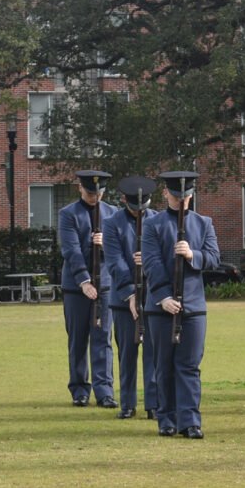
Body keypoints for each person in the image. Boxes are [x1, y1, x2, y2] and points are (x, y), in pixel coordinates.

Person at [142, 170, 221, 439]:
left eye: (185, 196)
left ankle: (189, 421)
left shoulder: (204, 223)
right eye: (176, 196)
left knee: (189, 366)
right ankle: (166, 417)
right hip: (161, 306)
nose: (181, 201)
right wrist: (163, 297)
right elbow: (151, 264)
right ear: (166, 194)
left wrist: (192, 254)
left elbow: (213, 258)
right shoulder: (153, 225)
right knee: (164, 365)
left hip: (194, 305)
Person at [57, 169, 117, 408]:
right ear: (80, 188)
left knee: (103, 339)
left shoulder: (113, 214)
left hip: (105, 286)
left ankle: (105, 391)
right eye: (91, 192)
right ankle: (80, 389)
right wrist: (83, 281)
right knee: (78, 339)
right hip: (76, 287)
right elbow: (70, 250)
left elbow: (120, 250)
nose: (95, 197)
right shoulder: (68, 214)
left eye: (99, 193)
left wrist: (106, 245)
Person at [103, 175, 159, 419]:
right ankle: (127, 403)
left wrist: (146, 263)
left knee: (153, 353)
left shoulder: (158, 220)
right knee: (127, 353)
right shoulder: (112, 223)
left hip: (154, 295)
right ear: (124, 200)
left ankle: (154, 403)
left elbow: (163, 257)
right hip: (123, 299)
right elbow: (114, 261)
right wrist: (129, 294)